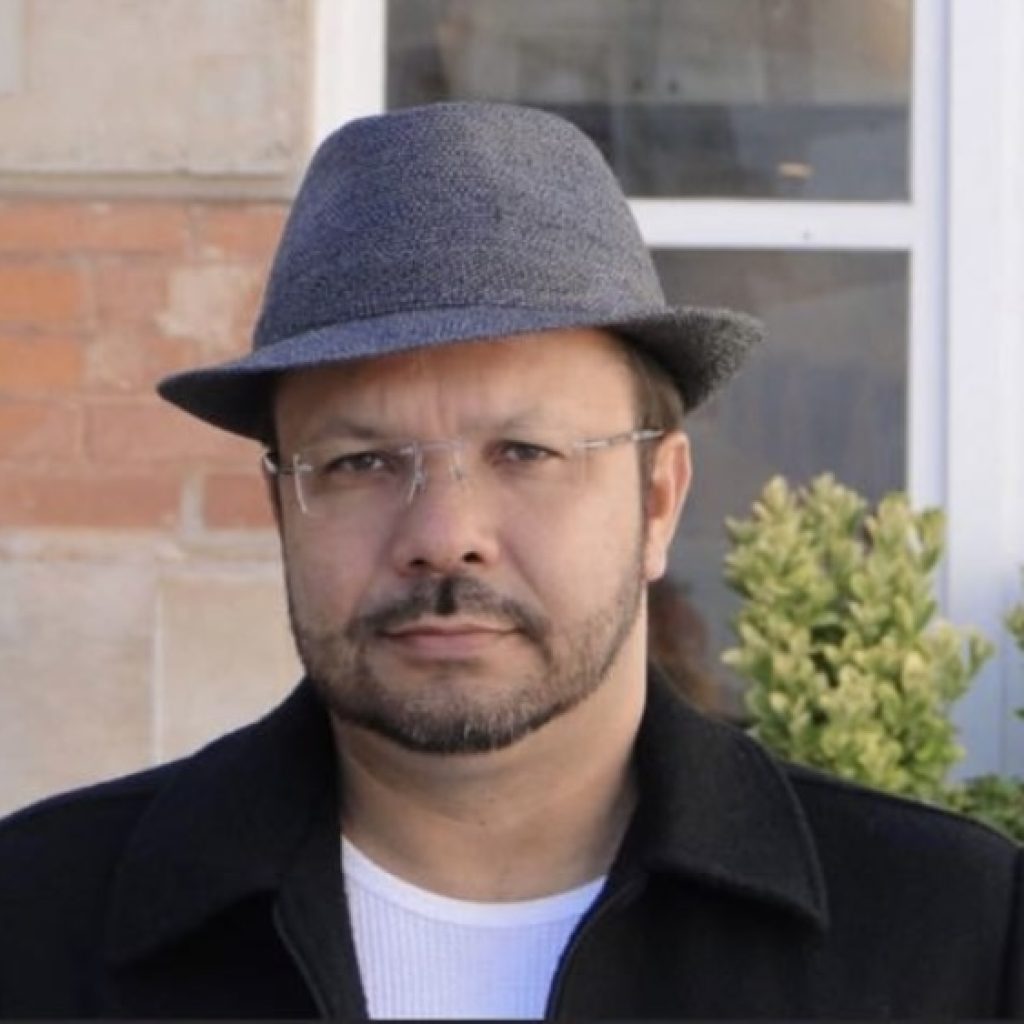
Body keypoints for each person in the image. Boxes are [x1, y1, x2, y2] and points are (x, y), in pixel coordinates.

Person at [0, 102, 1020, 1020]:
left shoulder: (951, 937)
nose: (444, 533)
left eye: (526, 452)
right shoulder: (40, 920)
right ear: (281, 508)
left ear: (657, 499)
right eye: (359, 461)